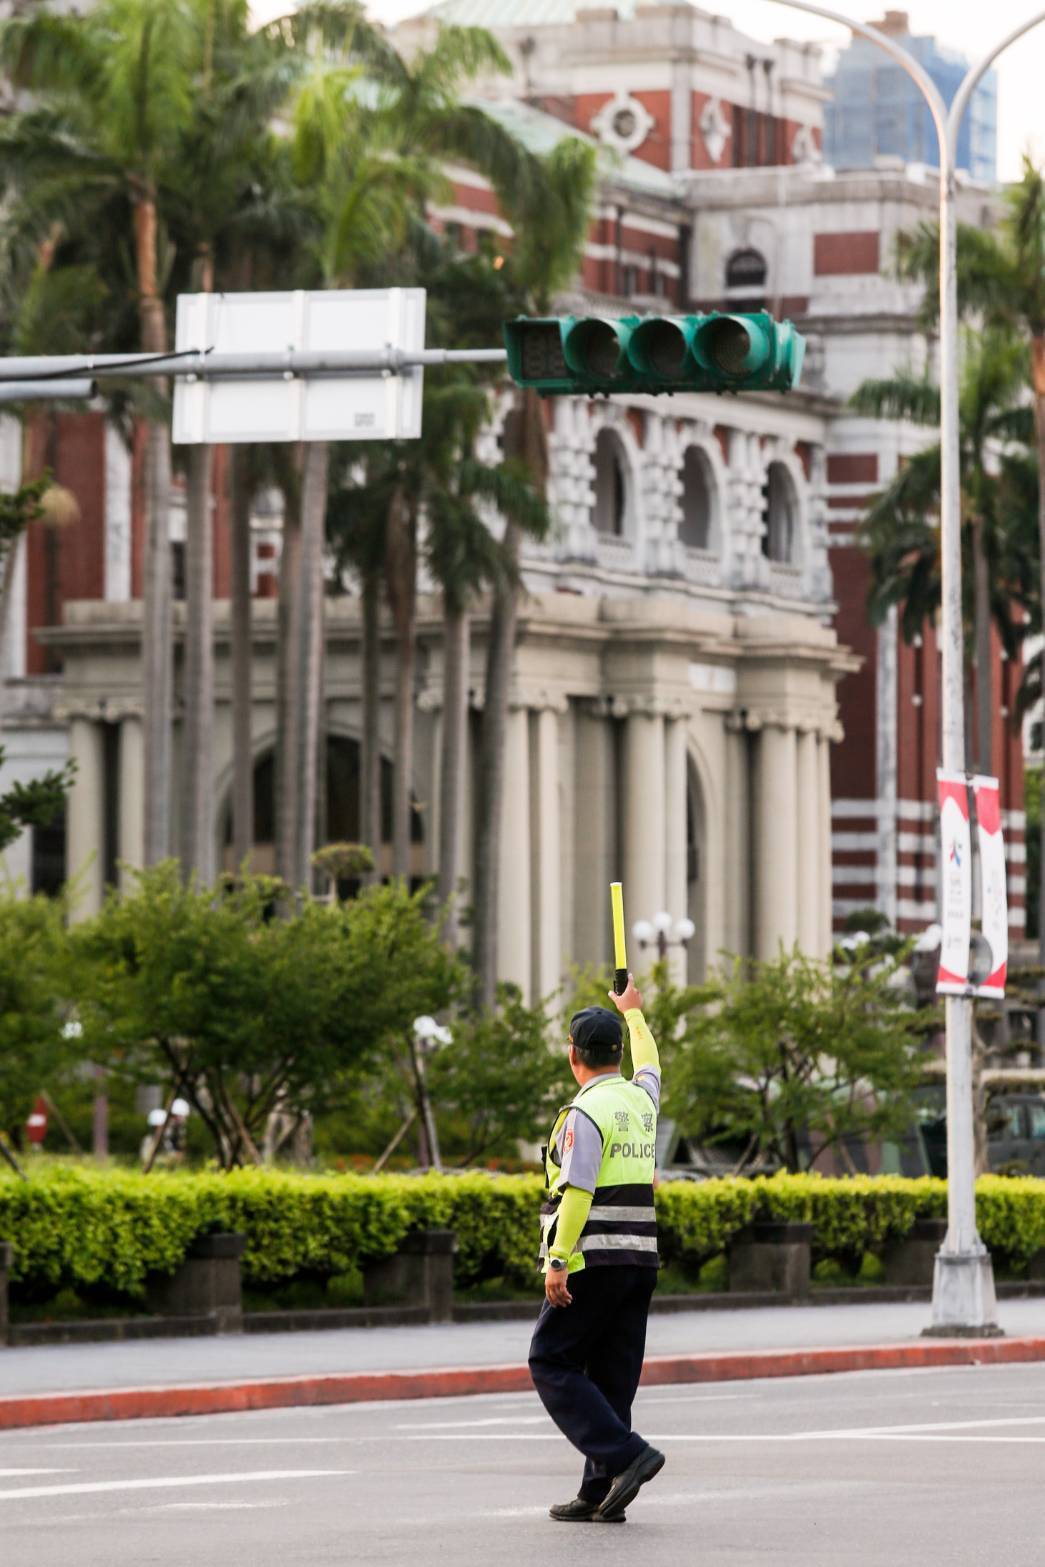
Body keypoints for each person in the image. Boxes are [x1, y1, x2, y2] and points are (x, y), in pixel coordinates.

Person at [528, 973, 664, 1524]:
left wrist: (557, 1259)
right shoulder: (641, 1100)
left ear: (573, 1055)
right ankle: (599, 1490)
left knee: (550, 1359)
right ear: (616, 1052)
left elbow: (578, 1190)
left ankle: (629, 1455)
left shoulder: (583, 1113)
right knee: (612, 1375)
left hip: (593, 1258)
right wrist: (634, 1010)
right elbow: (652, 1064)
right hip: (640, 1261)